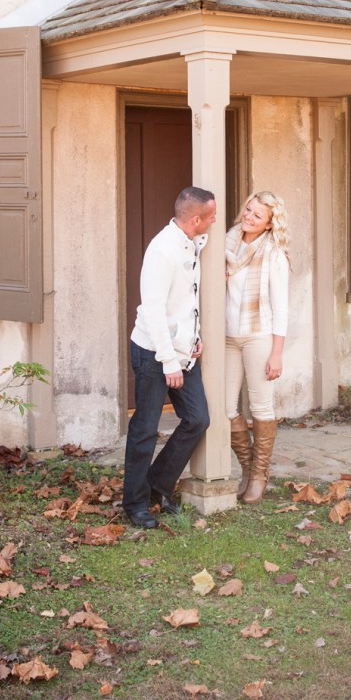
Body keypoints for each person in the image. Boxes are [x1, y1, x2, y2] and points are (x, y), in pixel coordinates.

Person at [122, 186, 216, 529]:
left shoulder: (193, 244)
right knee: (145, 428)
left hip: (182, 351)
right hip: (154, 352)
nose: (215, 219)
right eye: (211, 215)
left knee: (197, 419)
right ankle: (134, 505)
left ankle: (157, 486)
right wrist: (169, 360)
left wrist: (194, 338)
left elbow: (186, 301)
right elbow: (154, 311)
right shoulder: (163, 250)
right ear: (195, 219)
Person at [225, 191, 290, 504]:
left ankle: (259, 476)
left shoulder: (273, 253)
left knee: (261, 407)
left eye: (257, 216)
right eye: (248, 210)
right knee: (224, 408)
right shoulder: (226, 242)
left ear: (268, 224)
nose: (249, 217)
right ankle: (248, 468)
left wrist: (276, 353)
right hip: (226, 337)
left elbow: (281, 307)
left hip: (259, 336)